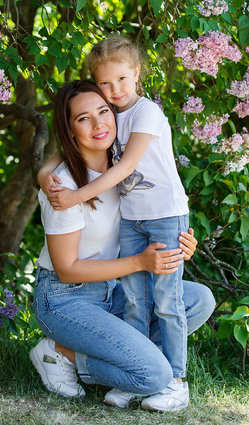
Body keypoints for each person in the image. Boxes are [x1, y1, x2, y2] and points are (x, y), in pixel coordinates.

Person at [30, 79, 215, 412]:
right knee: (154, 375)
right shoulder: (65, 188)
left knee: (199, 300)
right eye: (83, 118)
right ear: (70, 130)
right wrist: (142, 263)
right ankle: (60, 353)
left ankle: (114, 358)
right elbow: (66, 269)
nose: (99, 123)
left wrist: (175, 247)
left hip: (109, 291)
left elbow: (150, 222)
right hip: (63, 299)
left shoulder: (122, 171)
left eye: (103, 111)